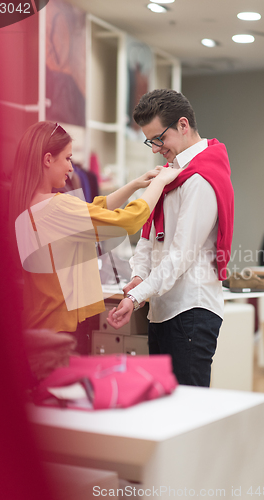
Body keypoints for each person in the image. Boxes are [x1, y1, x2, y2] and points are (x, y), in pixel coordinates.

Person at [9, 120, 179, 345]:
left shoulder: (29, 205)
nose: (71, 168)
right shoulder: (56, 207)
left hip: (40, 327)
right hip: (62, 332)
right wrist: (159, 183)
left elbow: (94, 209)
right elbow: (127, 222)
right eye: (68, 158)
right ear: (48, 159)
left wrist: (135, 184)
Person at [107, 89, 234, 387]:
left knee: (188, 415)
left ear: (183, 125)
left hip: (191, 309)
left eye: (158, 139)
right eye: (150, 141)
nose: (154, 149)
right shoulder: (172, 173)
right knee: (164, 411)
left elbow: (180, 255)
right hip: (162, 309)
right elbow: (148, 238)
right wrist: (139, 275)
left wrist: (136, 297)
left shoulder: (201, 177)